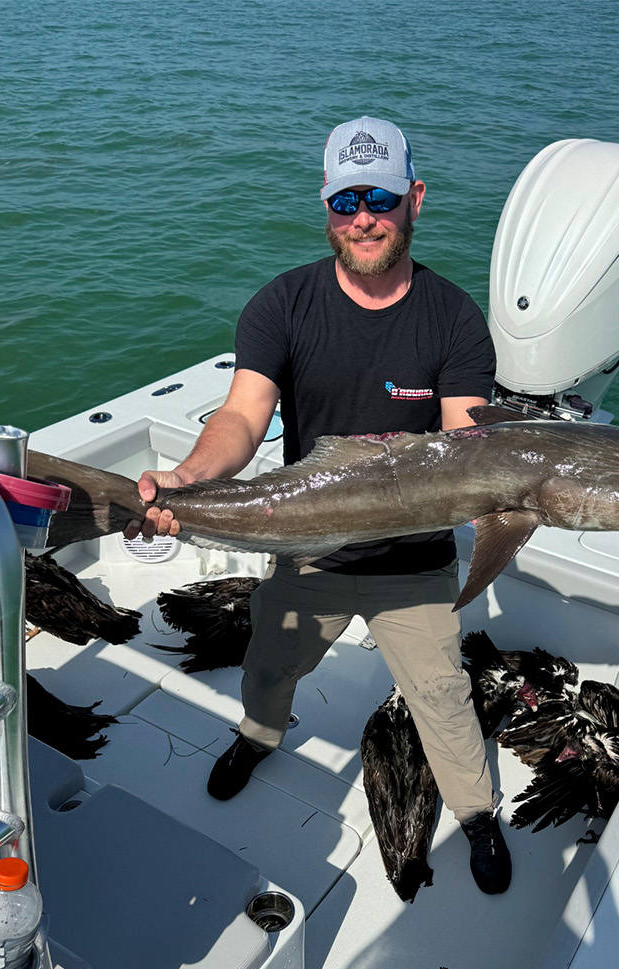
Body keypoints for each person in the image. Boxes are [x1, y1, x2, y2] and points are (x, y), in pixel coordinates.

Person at [134, 116, 511, 894]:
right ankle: (256, 737)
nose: (363, 217)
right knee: (272, 661)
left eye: (378, 198)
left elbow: (464, 440)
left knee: (441, 692)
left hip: (414, 563)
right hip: (305, 544)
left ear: (414, 199)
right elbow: (241, 417)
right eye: (346, 201)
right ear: (326, 207)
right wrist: (189, 479)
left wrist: (509, 487)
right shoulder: (283, 304)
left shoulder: (454, 318)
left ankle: (477, 813)